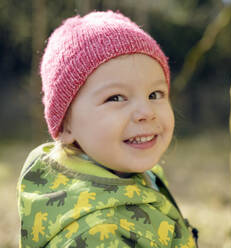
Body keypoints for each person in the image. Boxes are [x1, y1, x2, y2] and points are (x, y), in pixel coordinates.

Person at [17, 10, 198, 248]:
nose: (146, 112)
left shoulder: (136, 175)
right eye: (116, 98)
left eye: (155, 94)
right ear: (66, 126)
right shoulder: (95, 234)